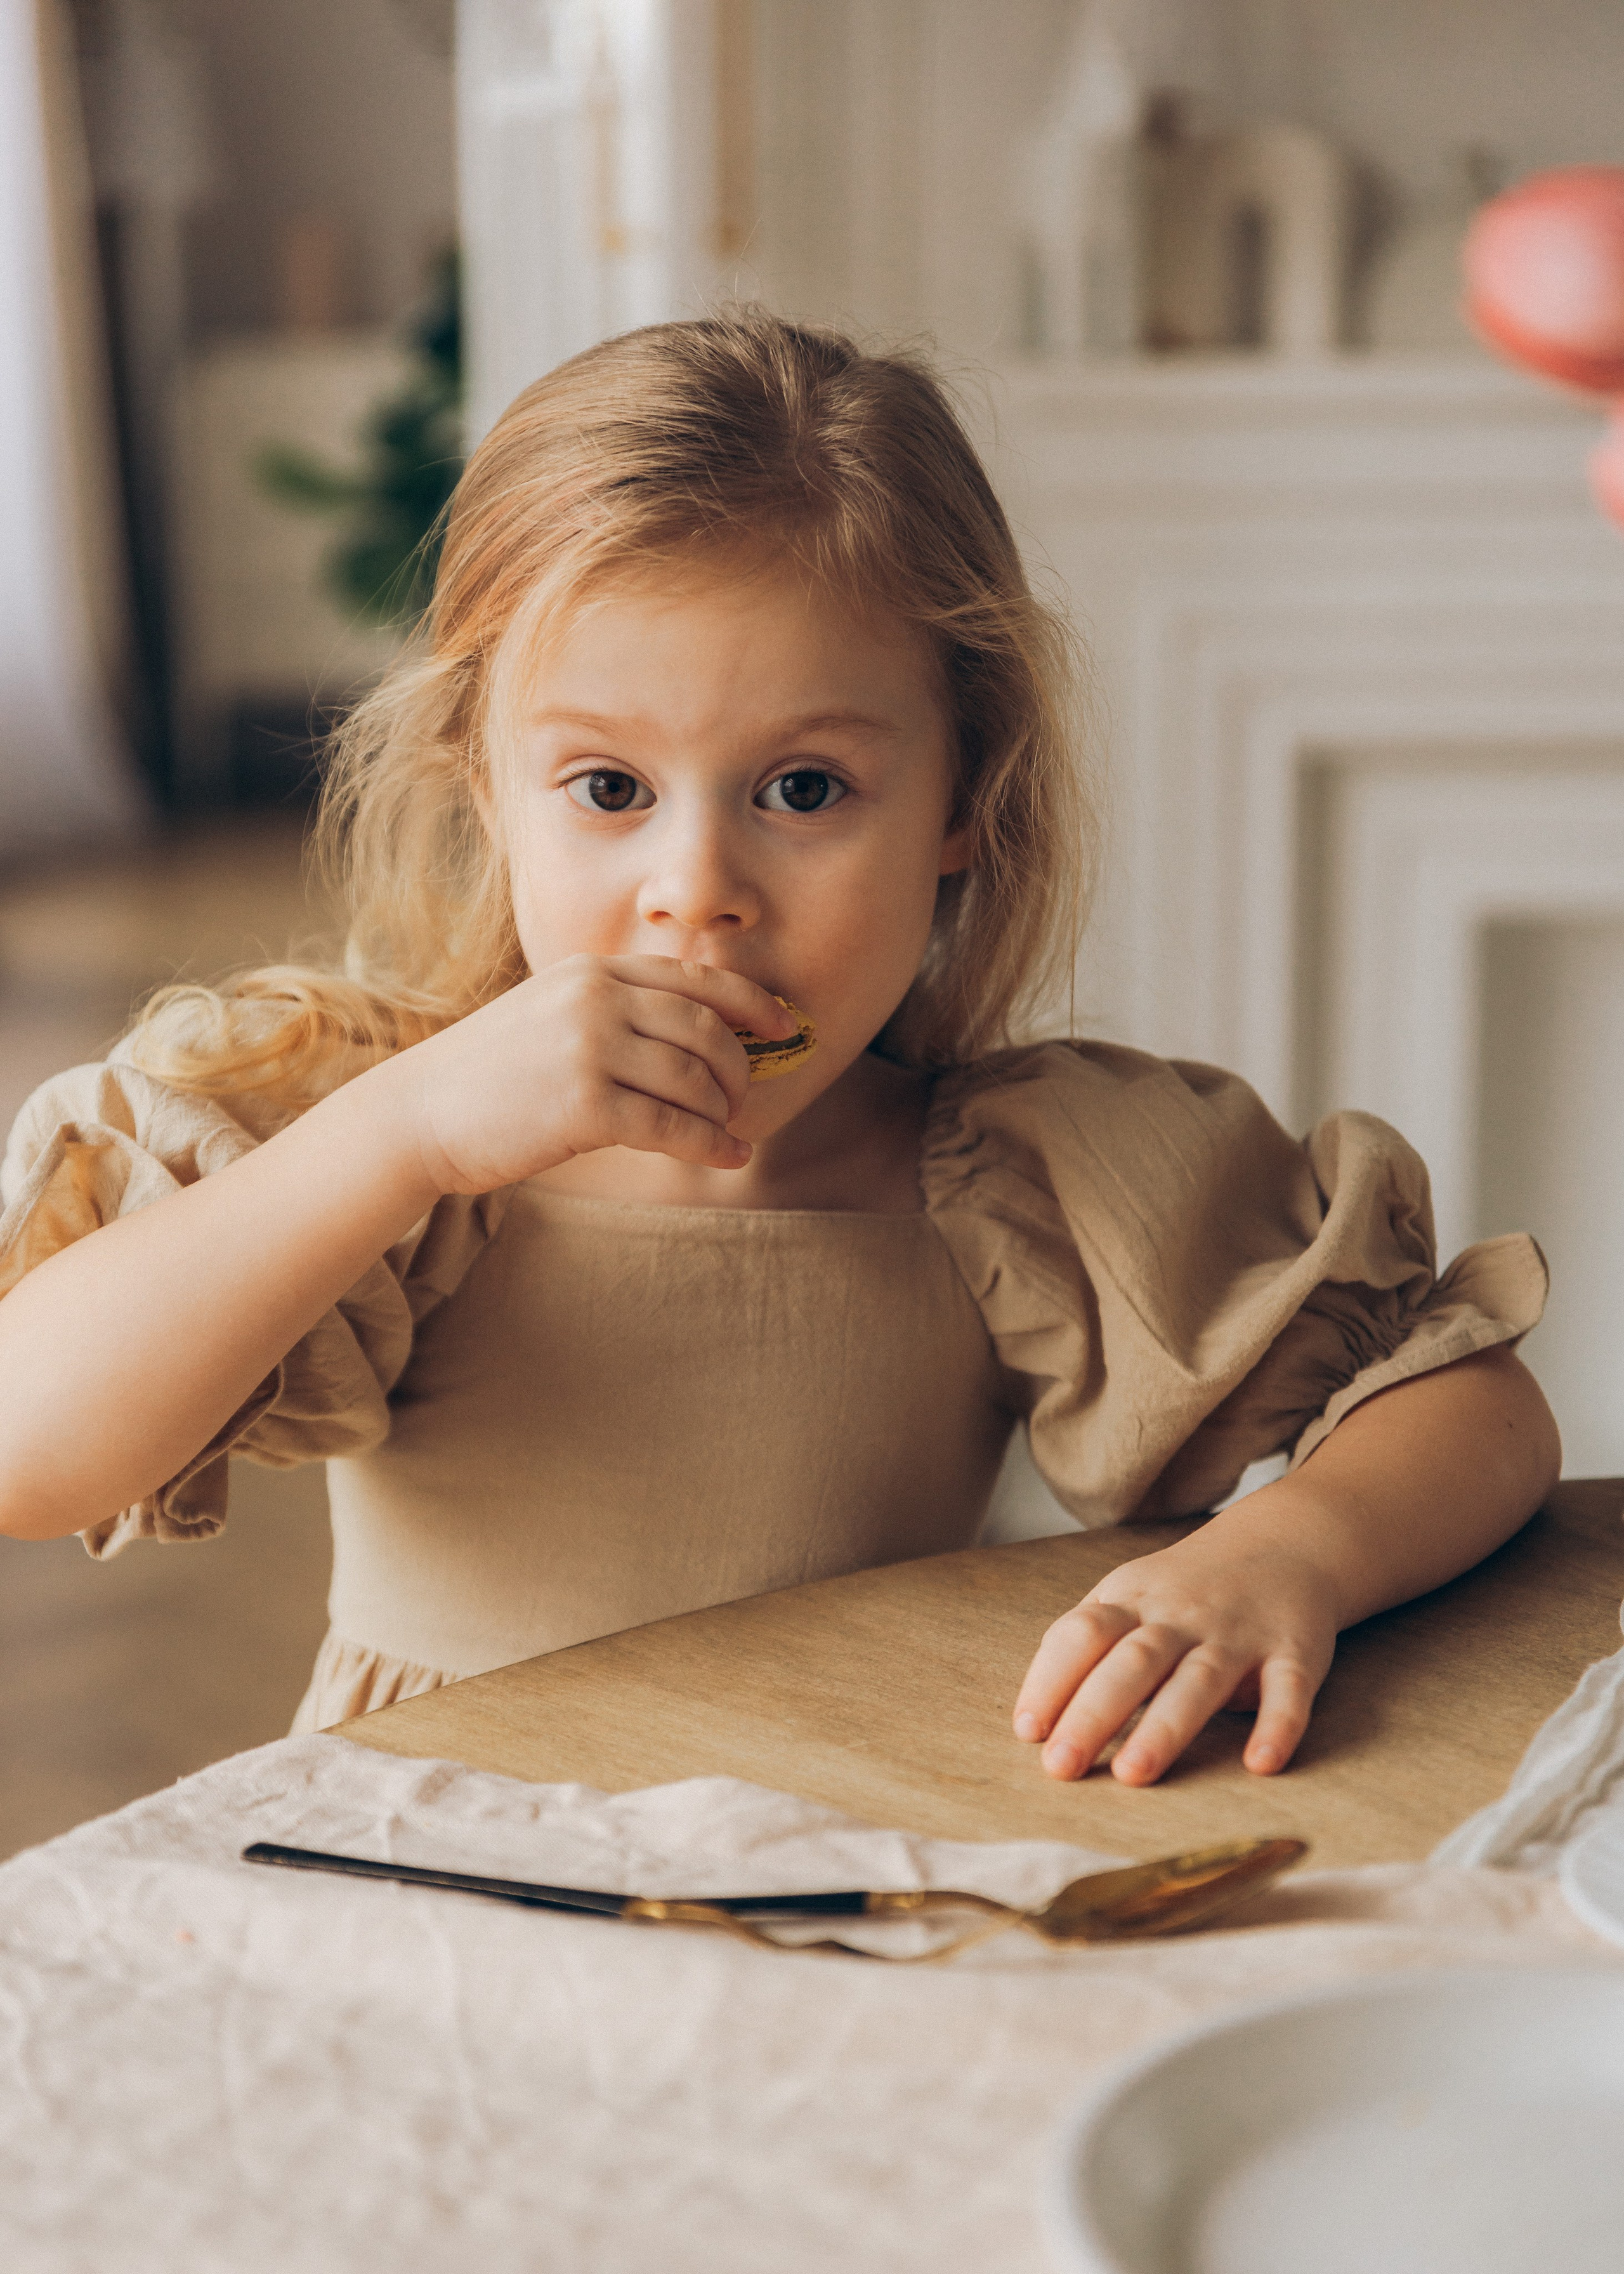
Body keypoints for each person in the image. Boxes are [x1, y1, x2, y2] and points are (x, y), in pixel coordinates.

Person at [0, 311, 1557, 1787]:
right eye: (608, 790)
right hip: (434, 1875)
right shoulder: (377, 1146)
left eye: (803, 791)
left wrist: (1281, 1552)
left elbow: (1473, 1407)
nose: (699, 892)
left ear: (961, 803)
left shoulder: (1019, 1179)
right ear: (485, 788)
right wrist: (399, 1135)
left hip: (829, 1857)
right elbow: (28, 1449)